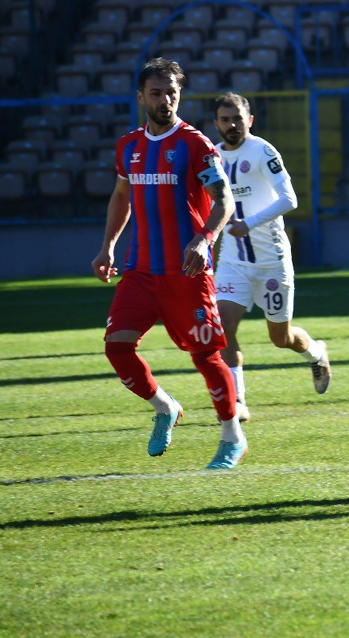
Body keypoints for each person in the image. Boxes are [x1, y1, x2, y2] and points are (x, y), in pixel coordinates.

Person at [91, 58, 247, 470]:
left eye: (172, 93)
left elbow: (224, 200)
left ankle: (233, 435)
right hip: (140, 271)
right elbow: (121, 197)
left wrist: (204, 238)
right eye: (157, 93)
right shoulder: (128, 146)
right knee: (117, 347)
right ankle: (164, 406)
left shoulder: (196, 145)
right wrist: (107, 246)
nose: (166, 100)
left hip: (187, 274)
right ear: (141, 96)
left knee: (206, 356)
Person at [212, 93, 331, 421]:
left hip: (271, 262)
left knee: (281, 338)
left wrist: (247, 223)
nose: (232, 124)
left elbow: (289, 199)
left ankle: (316, 353)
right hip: (233, 262)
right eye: (225, 119)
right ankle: (238, 403)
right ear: (216, 124)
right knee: (223, 327)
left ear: (249, 119)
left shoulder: (263, 151)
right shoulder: (212, 158)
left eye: (237, 118)